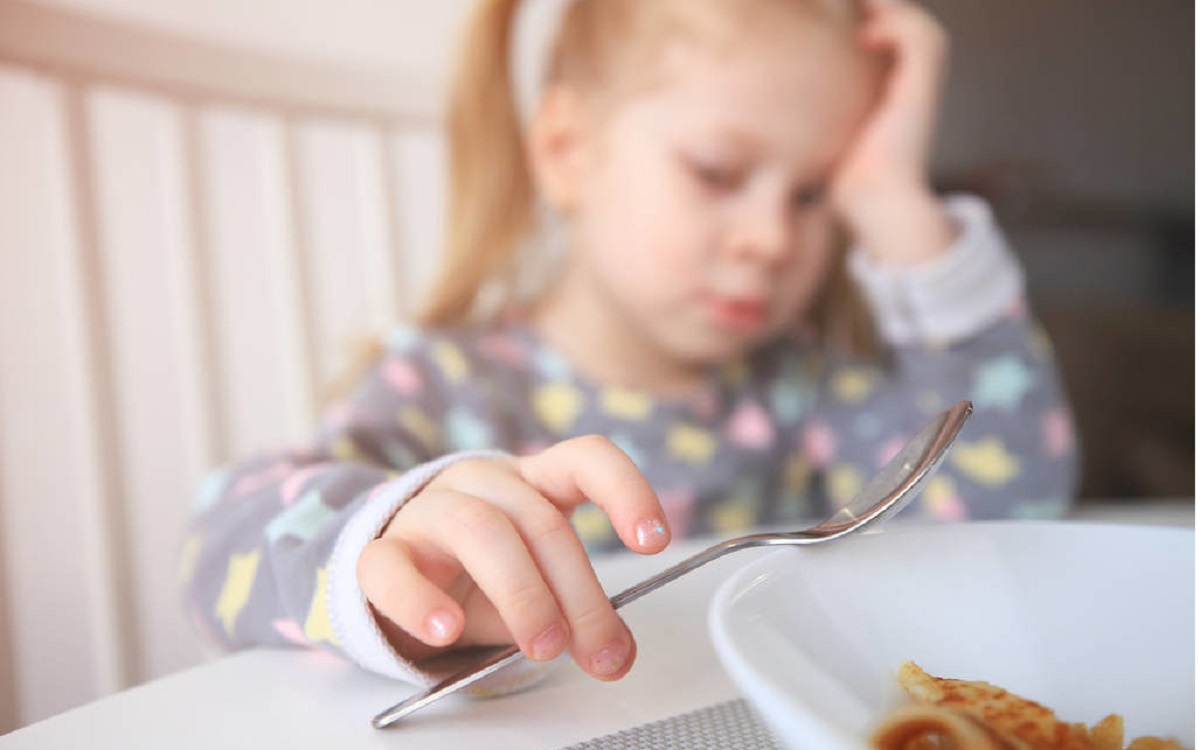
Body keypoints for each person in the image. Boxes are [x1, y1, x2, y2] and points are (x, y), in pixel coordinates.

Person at [181, 0, 1077, 693]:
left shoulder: (806, 389)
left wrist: (891, 199)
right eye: (717, 173)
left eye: (811, 195)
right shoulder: (449, 383)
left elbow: (1014, 510)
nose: (772, 239)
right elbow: (221, 545)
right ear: (568, 149)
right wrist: (382, 554)